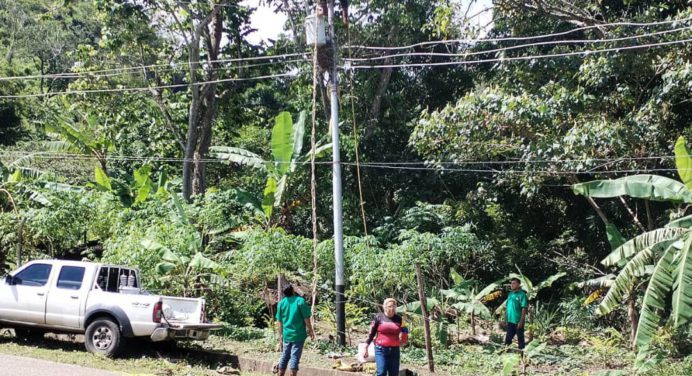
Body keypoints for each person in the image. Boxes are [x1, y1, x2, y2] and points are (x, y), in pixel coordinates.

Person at [276, 284, 315, 376]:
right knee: (295, 357)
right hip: (299, 335)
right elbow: (306, 319)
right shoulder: (300, 301)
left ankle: (280, 374)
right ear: (293, 290)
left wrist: (281, 335)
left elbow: (279, 322)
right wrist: (310, 330)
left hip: (286, 335)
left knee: (285, 355)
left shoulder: (281, 304)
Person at [364, 298, 408, 376]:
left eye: (394, 306)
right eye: (390, 306)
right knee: (381, 372)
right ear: (385, 307)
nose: (392, 308)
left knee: (394, 373)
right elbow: (371, 333)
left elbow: (405, 330)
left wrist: (403, 341)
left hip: (394, 351)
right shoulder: (378, 317)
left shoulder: (399, 319)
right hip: (381, 350)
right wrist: (366, 347)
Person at [505, 277, 528, 350]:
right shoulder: (510, 294)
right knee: (508, 337)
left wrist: (521, 321)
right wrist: (505, 318)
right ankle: (506, 350)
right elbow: (507, 307)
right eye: (511, 283)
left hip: (518, 320)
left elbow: (524, 308)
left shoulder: (522, 295)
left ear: (519, 284)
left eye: (514, 283)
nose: (512, 285)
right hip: (510, 320)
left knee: (520, 338)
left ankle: (522, 353)